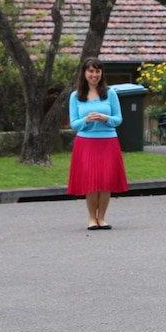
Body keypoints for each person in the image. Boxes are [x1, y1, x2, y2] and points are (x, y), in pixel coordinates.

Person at [67, 57, 128, 230]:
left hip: (108, 142)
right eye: (91, 71)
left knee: (105, 180)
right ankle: (92, 219)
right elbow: (74, 124)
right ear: (84, 73)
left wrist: (106, 118)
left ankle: (102, 218)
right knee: (91, 181)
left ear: (102, 73)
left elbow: (118, 119)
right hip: (86, 143)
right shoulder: (76, 96)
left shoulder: (111, 93)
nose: (94, 75)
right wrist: (85, 120)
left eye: (97, 71)